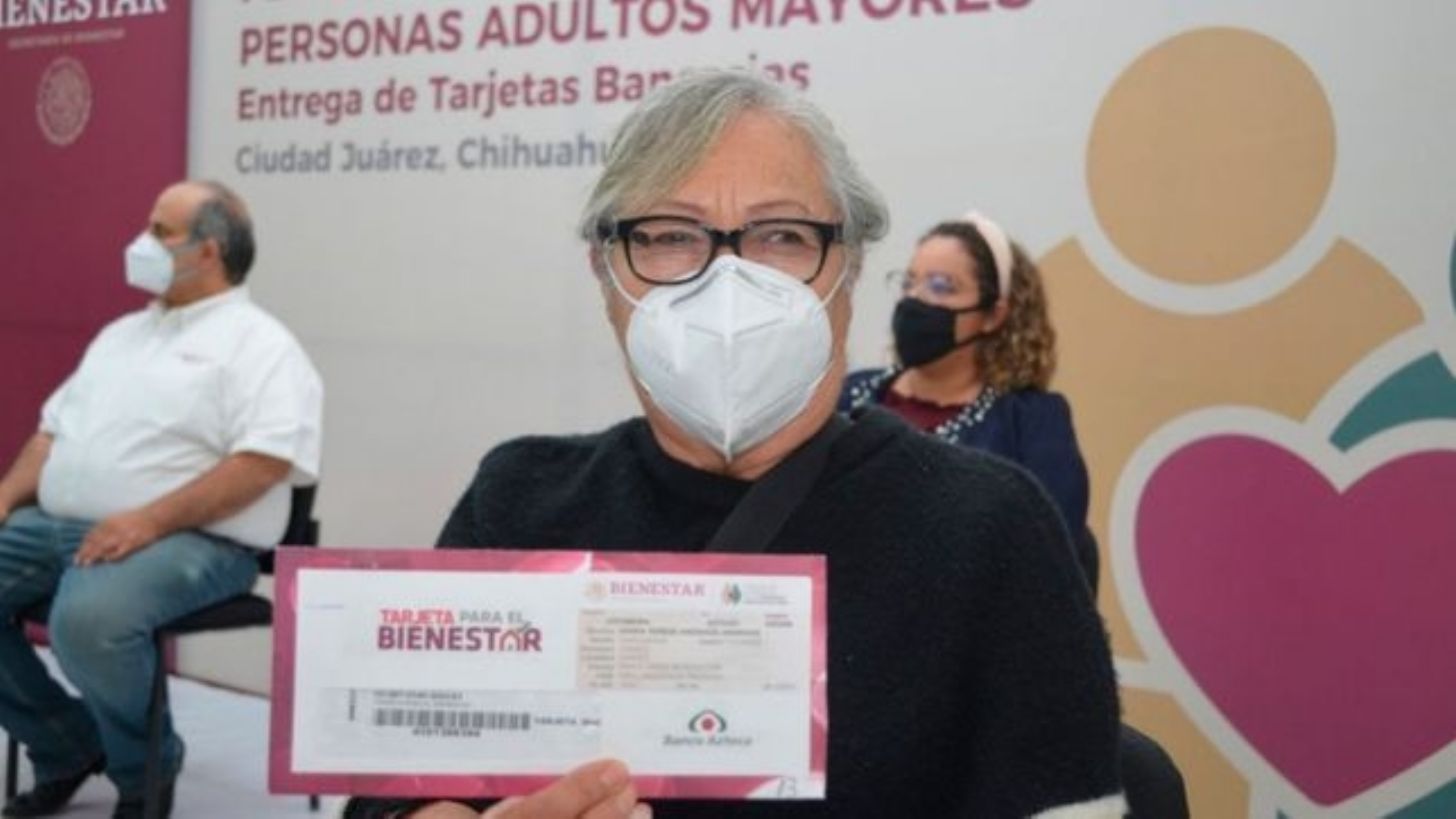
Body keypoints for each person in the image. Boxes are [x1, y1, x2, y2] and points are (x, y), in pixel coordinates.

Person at [346, 69, 1122, 819]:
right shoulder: (518, 501)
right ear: (606, 272)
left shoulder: (989, 529)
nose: (726, 284)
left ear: (849, 269)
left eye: (783, 235)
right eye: (669, 235)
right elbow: (395, 781)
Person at [0, 181, 323, 819]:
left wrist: (149, 521)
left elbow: (263, 462)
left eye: (159, 231)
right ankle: (66, 745)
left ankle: (144, 768)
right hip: (61, 525)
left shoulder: (261, 346)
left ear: (208, 251)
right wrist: (6, 494)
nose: (140, 243)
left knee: (89, 621)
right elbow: (51, 433)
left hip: (196, 541)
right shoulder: (121, 335)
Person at [839, 215, 1097, 584]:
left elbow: (1049, 550)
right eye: (909, 282)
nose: (915, 299)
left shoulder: (1030, 421)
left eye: (941, 286)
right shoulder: (848, 396)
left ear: (993, 315)